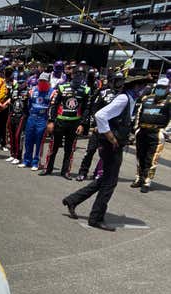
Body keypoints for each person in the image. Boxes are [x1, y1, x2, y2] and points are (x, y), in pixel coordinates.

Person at [62, 75, 151, 232]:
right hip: (111, 145)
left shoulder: (130, 99)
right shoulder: (123, 99)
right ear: (136, 86)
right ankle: (95, 218)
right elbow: (100, 115)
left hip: (115, 144)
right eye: (143, 85)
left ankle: (73, 200)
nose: (145, 89)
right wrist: (109, 135)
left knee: (105, 179)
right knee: (110, 182)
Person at [40, 66, 91, 179]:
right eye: (77, 73)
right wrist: (51, 121)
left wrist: (82, 124)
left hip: (74, 124)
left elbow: (87, 109)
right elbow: (54, 105)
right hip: (60, 122)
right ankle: (48, 168)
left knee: (70, 149)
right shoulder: (62, 87)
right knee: (53, 147)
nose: (79, 76)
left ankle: (65, 171)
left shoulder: (86, 90)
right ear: (72, 75)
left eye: (82, 74)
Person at [76, 72, 124, 181]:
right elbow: (94, 109)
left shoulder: (123, 96)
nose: (118, 83)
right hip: (98, 128)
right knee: (90, 151)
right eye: (116, 80)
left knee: (105, 154)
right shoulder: (103, 93)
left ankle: (98, 173)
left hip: (111, 131)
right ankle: (82, 172)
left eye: (120, 81)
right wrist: (95, 125)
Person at [130, 77, 170, 193]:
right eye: (158, 87)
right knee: (140, 157)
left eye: (162, 88)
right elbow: (138, 113)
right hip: (142, 131)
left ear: (167, 88)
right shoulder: (146, 98)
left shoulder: (169, 101)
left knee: (151, 159)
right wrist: (136, 128)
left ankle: (147, 181)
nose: (160, 89)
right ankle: (139, 178)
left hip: (157, 133)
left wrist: (165, 131)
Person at [19, 72, 54, 170]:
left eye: (44, 81)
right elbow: (29, 104)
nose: (42, 82)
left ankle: (36, 162)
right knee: (28, 139)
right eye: (40, 80)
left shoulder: (52, 92)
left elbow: (52, 107)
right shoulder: (33, 90)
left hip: (42, 119)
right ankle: (26, 160)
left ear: (48, 81)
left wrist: (50, 121)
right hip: (32, 117)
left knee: (39, 141)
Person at [5, 71, 30, 164]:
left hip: (22, 116)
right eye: (19, 82)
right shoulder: (14, 90)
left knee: (18, 136)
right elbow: (11, 102)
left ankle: (18, 156)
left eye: (22, 82)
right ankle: (12, 154)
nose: (20, 84)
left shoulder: (28, 91)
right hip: (13, 114)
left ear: (26, 81)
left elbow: (30, 105)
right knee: (11, 135)